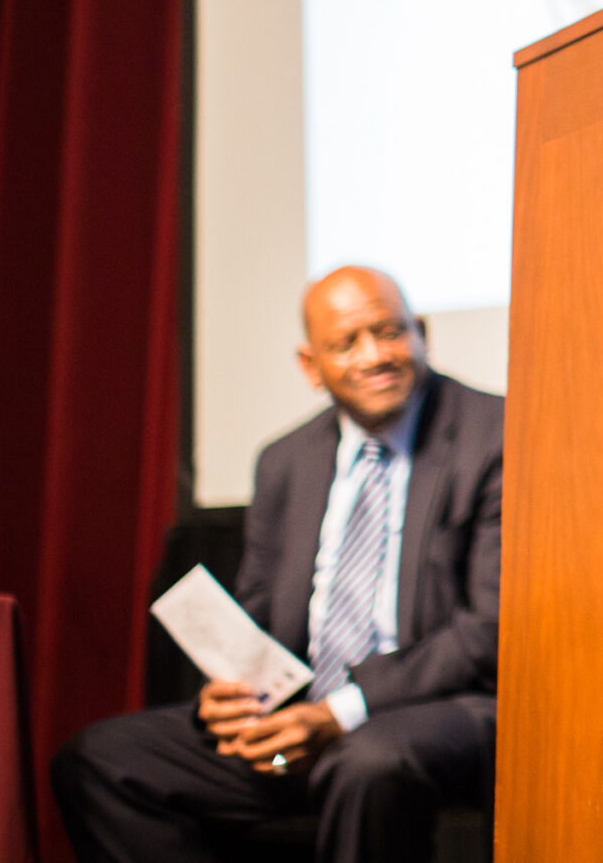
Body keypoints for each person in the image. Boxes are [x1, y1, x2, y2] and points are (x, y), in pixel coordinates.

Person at [53, 266, 502, 863]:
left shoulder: (494, 435)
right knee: (102, 760)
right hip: (302, 719)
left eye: (390, 332)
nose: (374, 356)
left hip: (438, 711)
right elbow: (259, 611)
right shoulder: (286, 460)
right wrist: (234, 690)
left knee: (367, 763)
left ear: (421, 333)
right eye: (347, 343)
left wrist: (340, 713)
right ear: (310, 365)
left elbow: (488, 629)